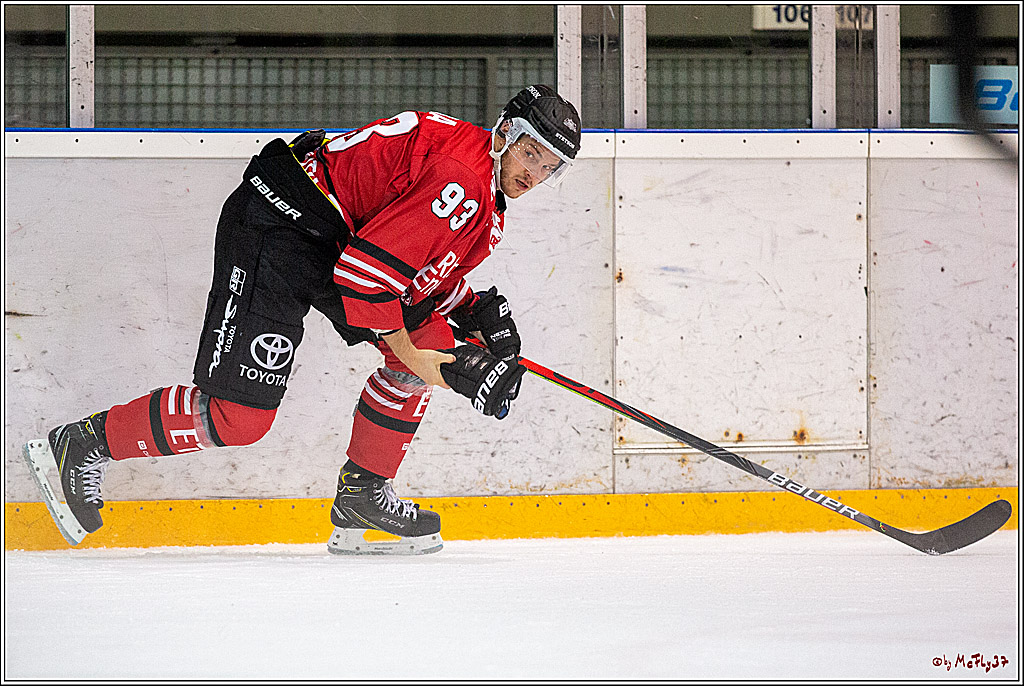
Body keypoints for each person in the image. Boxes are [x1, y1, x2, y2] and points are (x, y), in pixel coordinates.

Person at [23, 84, 582, 555]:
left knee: (431, 339)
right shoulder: (460, 178)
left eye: (550, 167)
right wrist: (430, 357)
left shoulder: (481, 191)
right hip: (280, 221)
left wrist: (471, 309)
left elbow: (410, 270)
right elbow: (370, 274)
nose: (536, 172)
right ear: (505, 133)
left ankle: (362, 498)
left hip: (328, 234)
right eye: (531, 153)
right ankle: (82, 443)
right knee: (242, 417)